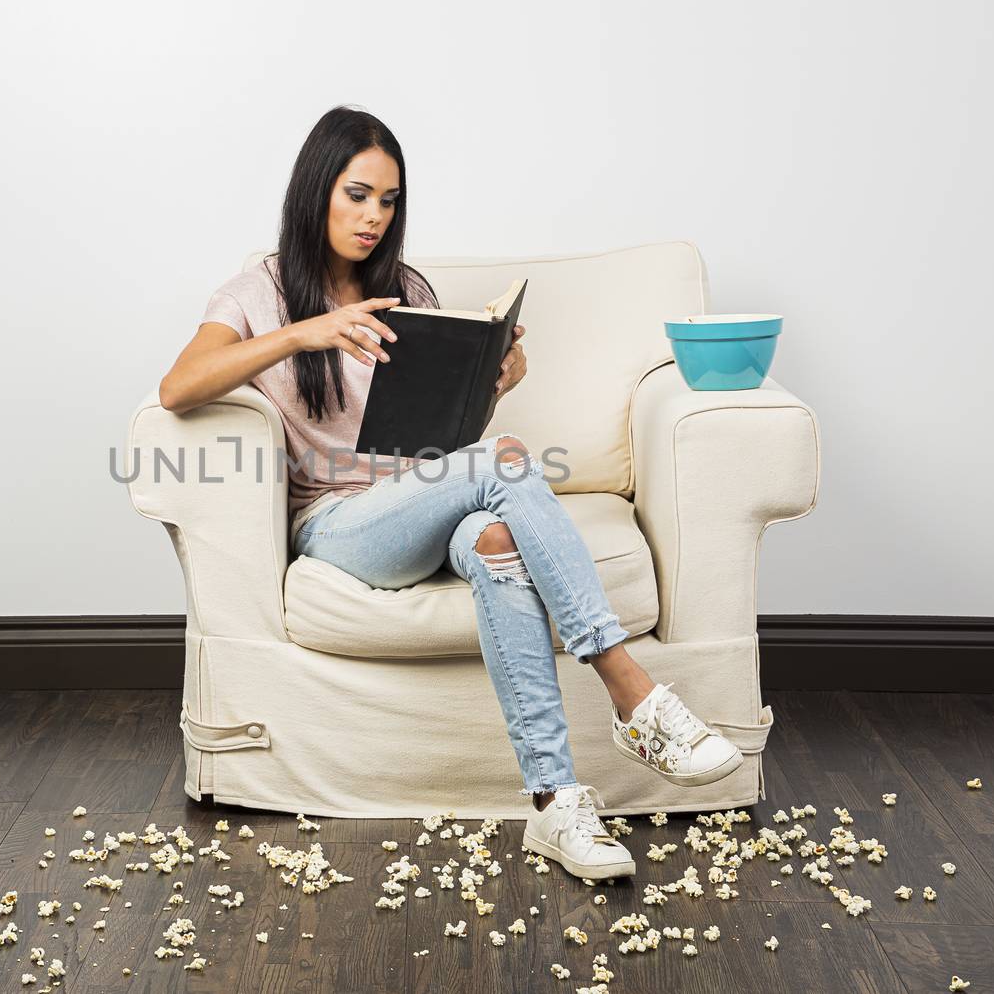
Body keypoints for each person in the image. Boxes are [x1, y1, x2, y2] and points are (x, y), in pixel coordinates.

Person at [159, 105, 742, 881]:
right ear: (316, 191)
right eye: (358, 194)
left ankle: (554, 804)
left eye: (389, 201)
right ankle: (631, 689)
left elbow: (436, 443)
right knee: (501, 459)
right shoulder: (256, 292)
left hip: (421, 502)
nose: (374, 217)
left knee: (497, 538)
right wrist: (307, 333)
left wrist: (490, 385)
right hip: (337, 524)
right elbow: (178, 386)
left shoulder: (408, 288)